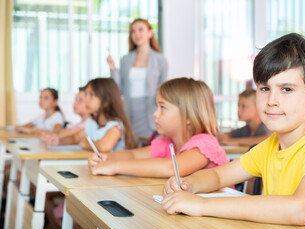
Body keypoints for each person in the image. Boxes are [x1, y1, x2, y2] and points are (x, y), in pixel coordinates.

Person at [162, 33, 305, 229]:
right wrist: (188, 184)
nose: (271, 100)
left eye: (286, 89)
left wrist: (202, 204)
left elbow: (301, 210)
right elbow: (218, 176)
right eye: (264, 88)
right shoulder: (269, 147)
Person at [88, 78, 228, 177]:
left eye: (163, 107)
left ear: (188, 117)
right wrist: (106, 158)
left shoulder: (205, 144)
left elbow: (170, 168)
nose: (155, 114)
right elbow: (133, 155)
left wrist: (115, 166)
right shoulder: (167, 142)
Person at [107, 18, 168, 142]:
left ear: (150, 33)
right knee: (131, 145)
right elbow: (120, 89)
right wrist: (113, 69)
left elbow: (164, 89)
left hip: (150, 110)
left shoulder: (160, 60)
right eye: (133, 31)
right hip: (130, 110)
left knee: (151, 147)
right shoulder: (126, 59)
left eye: (140, 30)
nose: (136, 34)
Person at [52, 78, 136, 151]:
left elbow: (105, 146)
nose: (86, 100)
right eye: (86, 95)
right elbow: (75, 138)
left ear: (106, 99)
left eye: (91, 95)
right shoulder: (92, 123)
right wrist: (58, 141)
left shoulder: (115, 125)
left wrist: (86, 144)